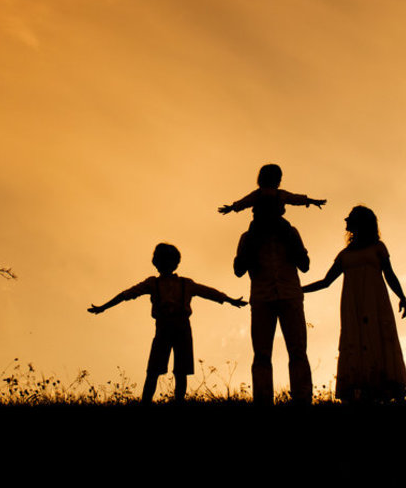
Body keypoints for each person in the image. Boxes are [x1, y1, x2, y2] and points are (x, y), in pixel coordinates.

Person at [89, 243, 246, 404]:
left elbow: (209, 293)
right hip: (163, 328)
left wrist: (229, 300)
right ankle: (146, 403)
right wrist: (104, 307)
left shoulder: (186, 284)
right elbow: (126, 294)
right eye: (161, 260)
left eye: (167, 260)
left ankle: (177, 402)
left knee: (181, 370)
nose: (163, 264)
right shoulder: (153, 283)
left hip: (182, 327)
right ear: (157, 263)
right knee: (154, 370)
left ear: (174, 263)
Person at [302, 206, 406, 403]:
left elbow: (389, 274)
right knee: (355, 340)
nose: (346, 222)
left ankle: (384, 388)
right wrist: (299, 289)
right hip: (353, 307)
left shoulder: (378, 248)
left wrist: (401, 296)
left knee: (378, 338)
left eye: (350, 219)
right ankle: (363, 390)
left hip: (376, 303)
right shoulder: (344, 254)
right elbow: (326, 282)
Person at [234, 212, 312, 406]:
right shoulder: (248, 237)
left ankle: (302, 399)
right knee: (262, 353)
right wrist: (252, 243)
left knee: (297, 351)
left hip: (289, 297)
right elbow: (238, 270)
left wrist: (288, 236)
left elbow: (305, 265)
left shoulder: (290, 233)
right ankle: (263, 400)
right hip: (263, 299)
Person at [220, 164, 325, 270]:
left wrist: (311, 201)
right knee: (252, 240)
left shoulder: (273, 194)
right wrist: (232, 207)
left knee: (289, 234)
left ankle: (300, 258)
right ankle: (246, 262)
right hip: (262, 223)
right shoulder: (260, 194)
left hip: (272, 223)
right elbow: (244, 202)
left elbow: (295, 198)